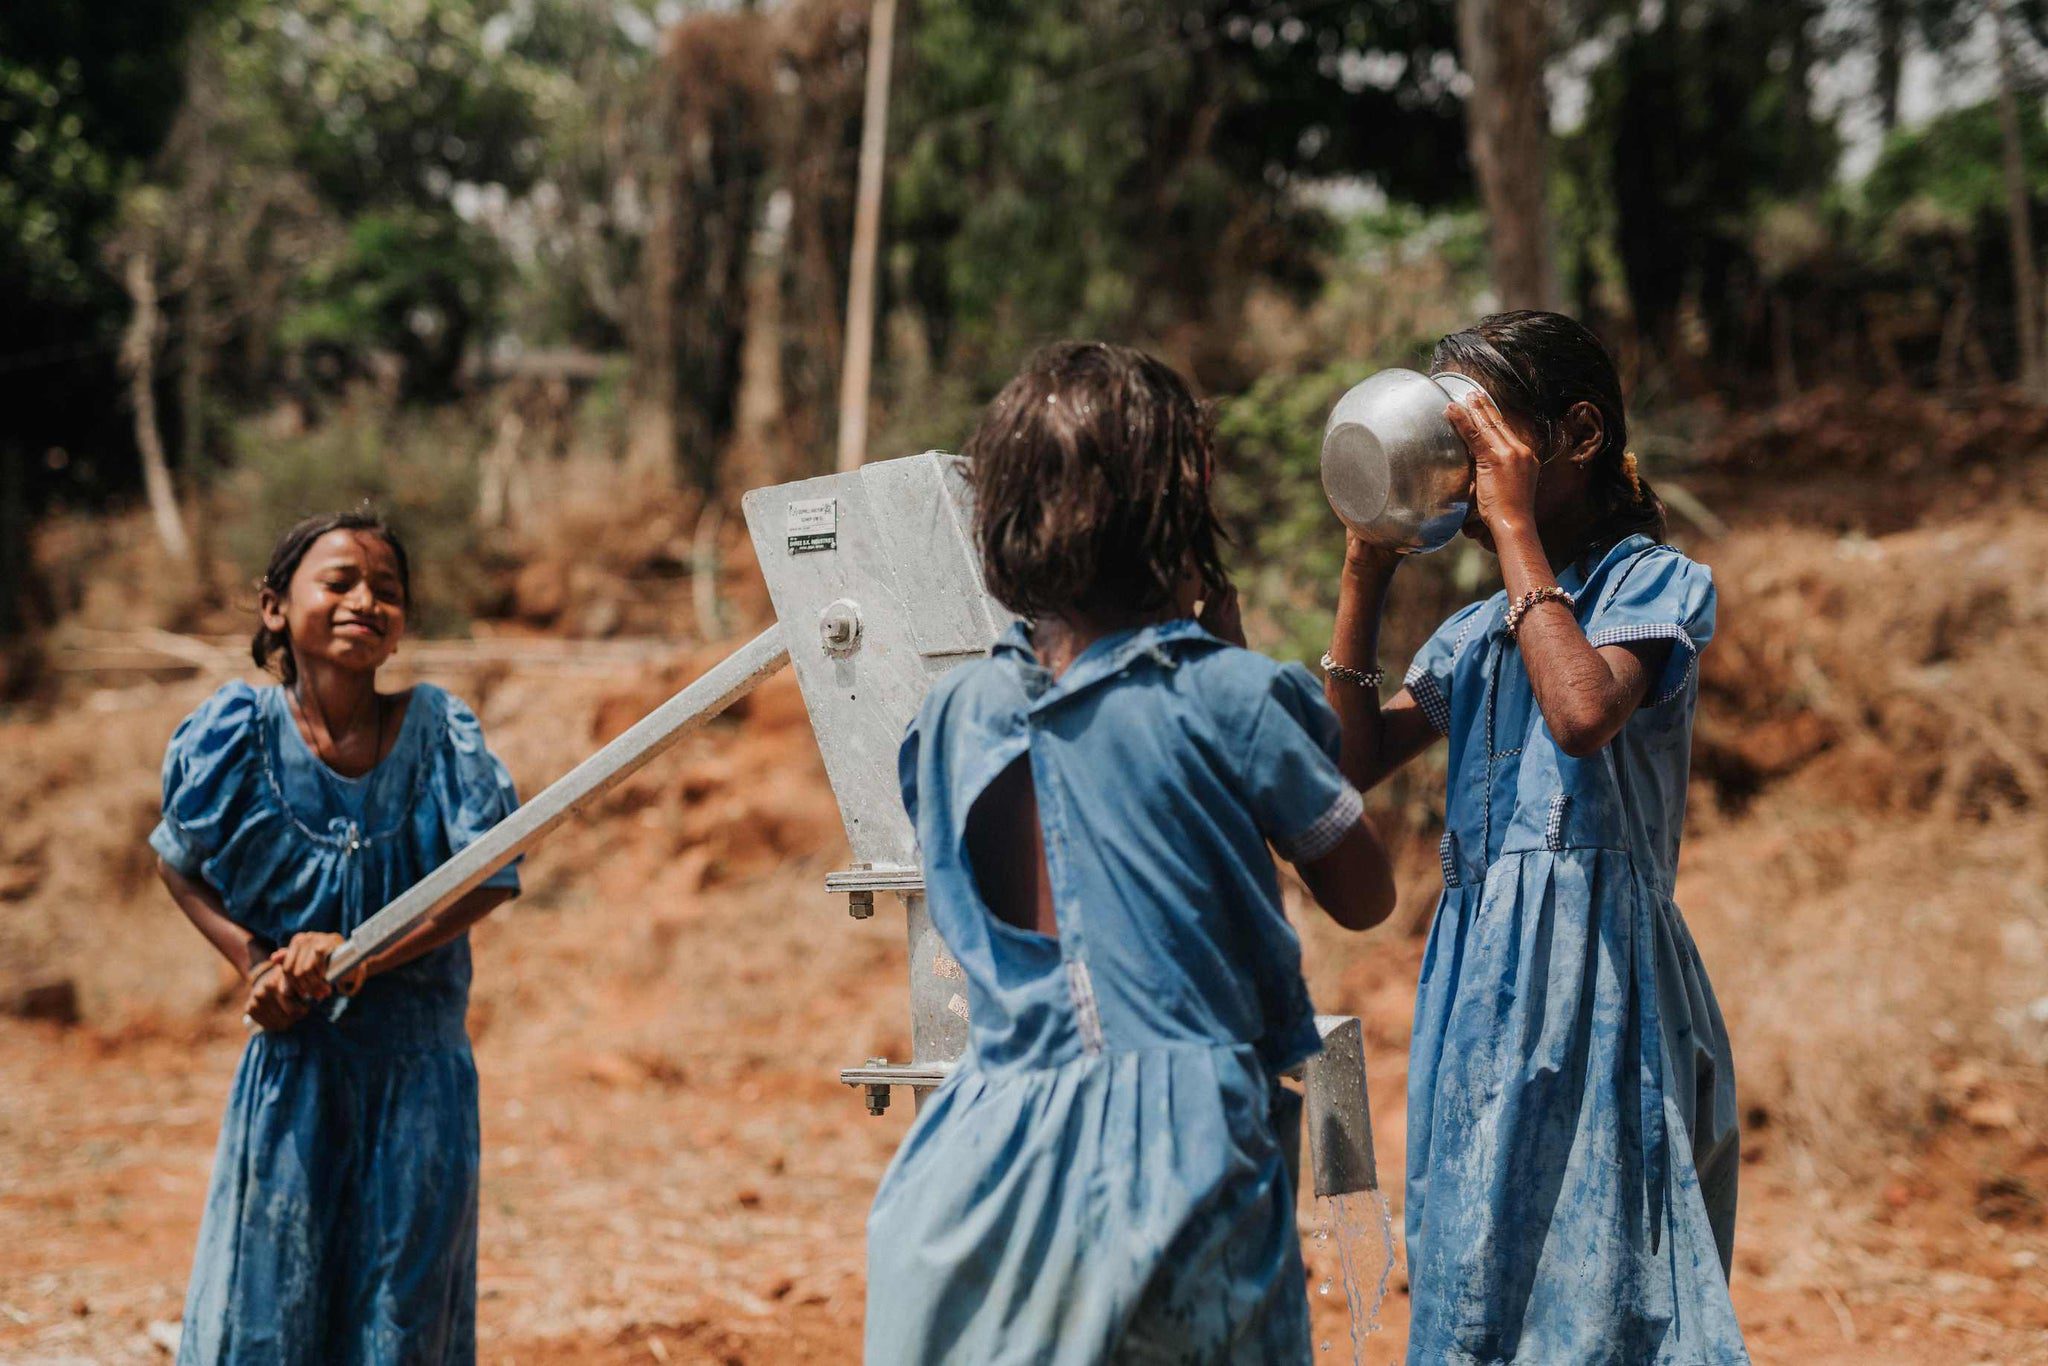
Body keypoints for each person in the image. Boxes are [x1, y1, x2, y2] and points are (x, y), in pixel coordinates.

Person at [865, 341, 1396, 1363]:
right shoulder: (1229, 698)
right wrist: (1234, 670)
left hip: (977, 1160)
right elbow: (1363, 892)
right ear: (1174, 520)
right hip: (1176, 1167)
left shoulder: (945, 717)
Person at [1326, 311, 1746, 1363]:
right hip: (1477, 998)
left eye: (1479, 445)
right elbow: (1343, 768)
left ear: (1577, 435)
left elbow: (1580, 710)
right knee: (1477, 1266)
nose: (1462, 473)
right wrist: (1362, 576)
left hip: (1602, 991)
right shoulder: (1472, 636)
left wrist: (1511, 528)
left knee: (1604, 1288)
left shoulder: (1646, 584)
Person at [151, 510, 521, 1365]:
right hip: (292, 1074)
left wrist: (357, 960)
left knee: (400, 1321)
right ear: (275, 607)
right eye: (341, 581)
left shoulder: (439, 736)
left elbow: (488, 879)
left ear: (400, 630)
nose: (365, 601)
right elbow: (177, 862)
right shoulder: (235, 734)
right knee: (269, 1315)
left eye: (386, 591)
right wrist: (256, 963)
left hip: (419, 1079)